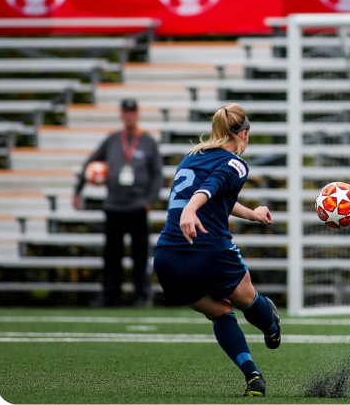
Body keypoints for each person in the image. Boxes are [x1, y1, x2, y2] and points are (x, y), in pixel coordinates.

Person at [153, 103, 280, 398]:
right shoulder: (236, 163)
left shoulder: (191, 158)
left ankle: (253, 376)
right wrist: (190, 210)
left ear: (214, 132)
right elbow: (211, 187)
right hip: (209, 251)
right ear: (244, 135)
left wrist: (253, 214)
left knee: (221, 313)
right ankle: (271, 324)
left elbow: (215, 195)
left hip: (169, 259)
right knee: (248, 300)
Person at [74, 98, 163, 307]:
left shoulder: (148, 142)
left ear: (137, 114)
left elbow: (157, 175)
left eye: (133, 111)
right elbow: (90, 163)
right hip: (114, 207)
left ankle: (141, 296)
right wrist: (78, 190)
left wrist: (149, 201)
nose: (129, 115)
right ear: (121, 114)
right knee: (112, 256)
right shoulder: (113, 140)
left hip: (137, 208)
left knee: (140, 256)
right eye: (126, 112)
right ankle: (110, 296)